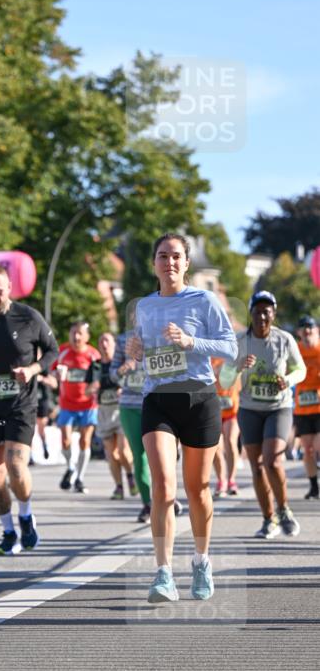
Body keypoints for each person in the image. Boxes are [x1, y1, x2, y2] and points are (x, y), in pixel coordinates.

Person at [129, 233, 238, 604]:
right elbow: (144, 350)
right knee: (162, 486)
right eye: (163, 256)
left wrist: (192, 342)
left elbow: (230, 346)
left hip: (199, 398)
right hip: (158, 399)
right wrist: (135, 349)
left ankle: (202, 561)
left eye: (176, 256)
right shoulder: (144, 306)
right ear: (154, 263)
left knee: (199, 490)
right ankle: (163, 574)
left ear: (186, 263)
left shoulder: (204, 300)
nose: (169, 262)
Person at [0, 264, 58, 554]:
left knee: (15, 466)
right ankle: (8, 531)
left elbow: (52, 351)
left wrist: (33, 369)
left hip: (21, 404)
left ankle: (26, 515)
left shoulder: (29, 317)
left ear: (9, 286)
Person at [220, 291, 306, 539]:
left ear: (274, 314)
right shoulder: (239, 342)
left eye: (267, 311)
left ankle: (284, 509)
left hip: (278, 408)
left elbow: (300, 369)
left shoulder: (284, 339)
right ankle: (269, 519)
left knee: (272, 460)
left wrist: (288, 380)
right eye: (257, 311)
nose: (262, 316)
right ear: (251, 313)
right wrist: (237, 367)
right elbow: (224, 380)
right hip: (249, 409)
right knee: (257, 467)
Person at [87, 331, 137, 500]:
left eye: (107, 340)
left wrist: (125, 389)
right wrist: (91, 388)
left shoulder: (123, 363)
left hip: (121, 409)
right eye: (101, 341)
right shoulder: (95, 366)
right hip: (103, 411)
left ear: (115, 345)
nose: (104, 344)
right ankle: (119, 487)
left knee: (123, 451)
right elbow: (87, 390)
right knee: (111, 454)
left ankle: (130, 476)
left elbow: (136, 380)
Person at [110, 331, 152, 523]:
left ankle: (167, 499)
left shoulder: (159, 336)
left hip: (156, 402)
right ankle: (148, 504)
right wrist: (121, 371)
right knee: (139, 455)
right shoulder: (122, 340)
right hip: (129, 406)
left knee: (161, 457)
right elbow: (112, 374)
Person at [54, 321, 100, 494]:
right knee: (65, 440)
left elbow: (99, 378)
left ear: (87, 337)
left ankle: (79, 478)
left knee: (84, 441)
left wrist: (95, 386)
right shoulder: (63, 352)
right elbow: (52, 373)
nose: (76, 336)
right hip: (67, 404)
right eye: (73, 332)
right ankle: (70, 467)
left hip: (88, 405)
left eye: (80, 333)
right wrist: (55, 375)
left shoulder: (93, 355)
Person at [294, 315, 320, 500]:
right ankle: (314, 487)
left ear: (316, 329)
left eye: (310, 326)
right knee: (308, 450)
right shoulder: (296, 350)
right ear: (298, 332)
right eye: (303, 327)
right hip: (302, 407)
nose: (307, 330)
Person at [211, 356, 241, 497]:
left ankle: (231, 480)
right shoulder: (206, 355)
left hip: (231, 409)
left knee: (230, 441)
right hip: (213, 410)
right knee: (215, 447)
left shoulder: (232, 355)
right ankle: (221, 481)